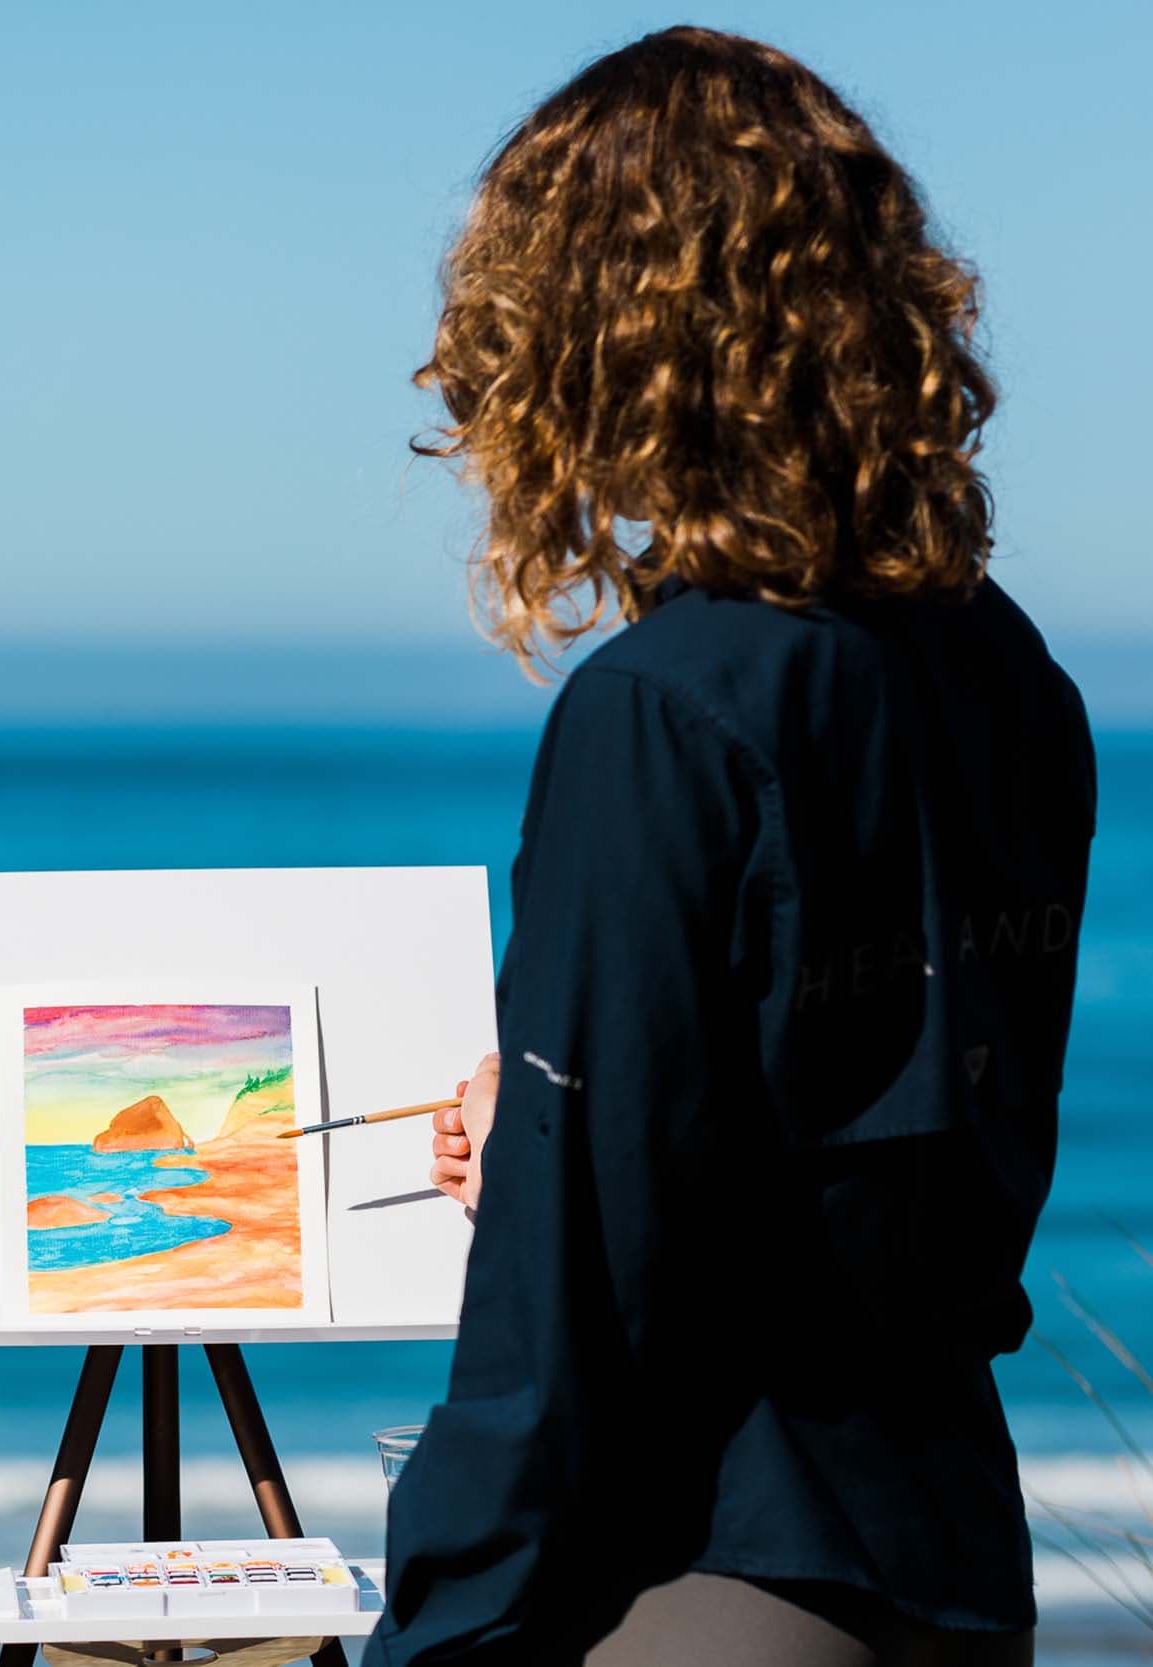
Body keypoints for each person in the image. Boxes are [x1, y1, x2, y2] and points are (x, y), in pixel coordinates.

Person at [372, 27, 1095, 1667]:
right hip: (951, 1562)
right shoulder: (1010, 676)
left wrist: (443, 1622)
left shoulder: (666, 713)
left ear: (594, 336)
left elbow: (569, 1312)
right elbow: (889, 1130)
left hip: (711, 1566)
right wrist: (572, 1115)